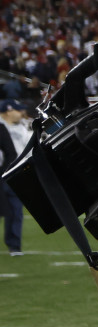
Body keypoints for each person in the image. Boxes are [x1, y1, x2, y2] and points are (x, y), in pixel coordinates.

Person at [0, 99, 32, 255]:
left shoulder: (23, 129)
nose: (22, 113)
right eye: (18, 110)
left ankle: (14, 245)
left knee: (15, 210)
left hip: (14, 174)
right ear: (8, 110)